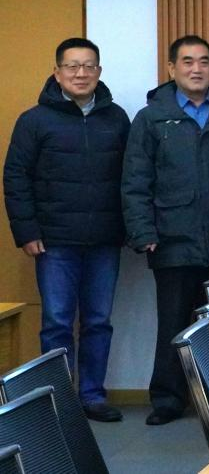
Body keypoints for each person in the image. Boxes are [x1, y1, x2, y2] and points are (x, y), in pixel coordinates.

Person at [121, 35, 209, 426]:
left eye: (203, 61)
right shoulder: (151, 118)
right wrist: (142, 231)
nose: (196, 69)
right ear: (171, 68)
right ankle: (168, 399)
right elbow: (135, 180)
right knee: (174, 322)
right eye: (187, 61)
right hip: (171, 238)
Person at [3, 37, 130, 423]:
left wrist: (131, 228)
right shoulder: (34, 120)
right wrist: (27, 231)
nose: (80, 73)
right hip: (54, 242)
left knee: (98, 322)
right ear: (57, 73)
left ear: (99, 72)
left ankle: (92, 396)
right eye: (72, 66)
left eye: (88, 66)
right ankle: (58, 401)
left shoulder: (116, 119)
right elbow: (16, 177)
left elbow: (132, 177)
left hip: (105, 239)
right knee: (57, 322)